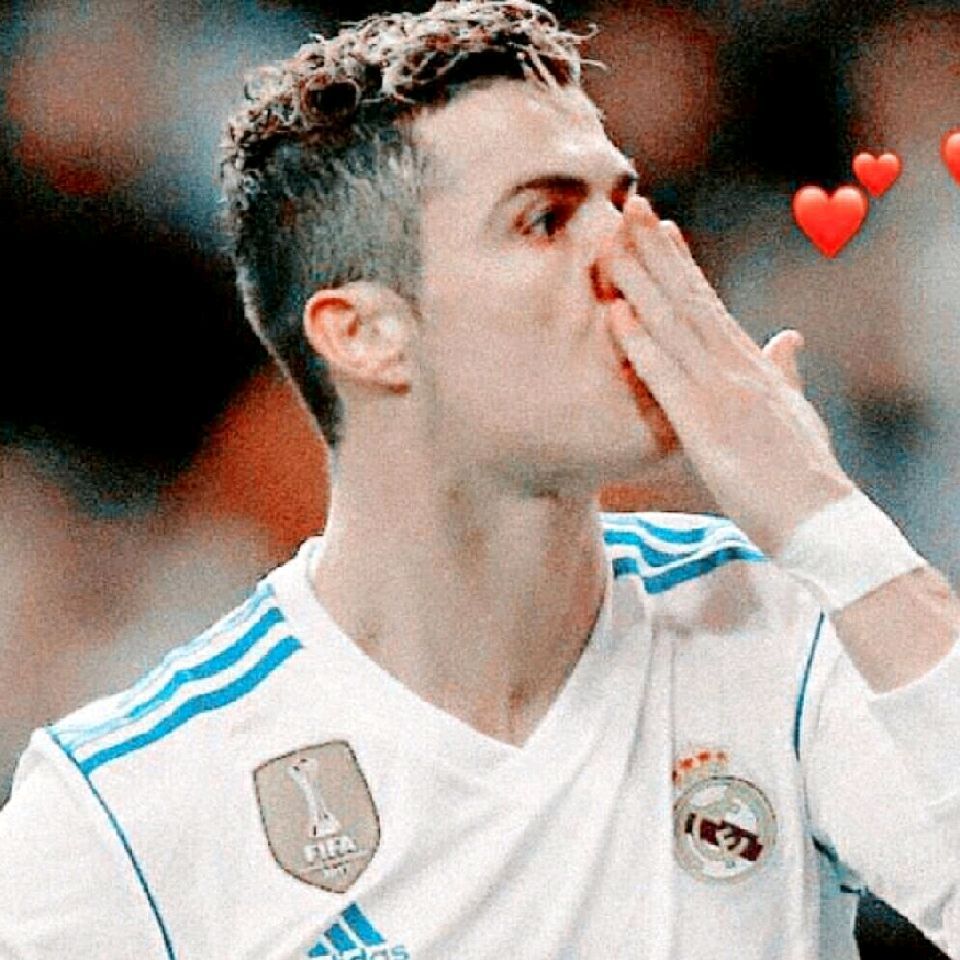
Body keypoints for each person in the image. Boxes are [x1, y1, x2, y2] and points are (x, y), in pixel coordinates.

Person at [1, 2, 958, 958]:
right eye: (546, 219)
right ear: (365, 335)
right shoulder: (125, 809)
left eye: (625, 204)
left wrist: (816, 507)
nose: (634, 260)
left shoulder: (785, 623)